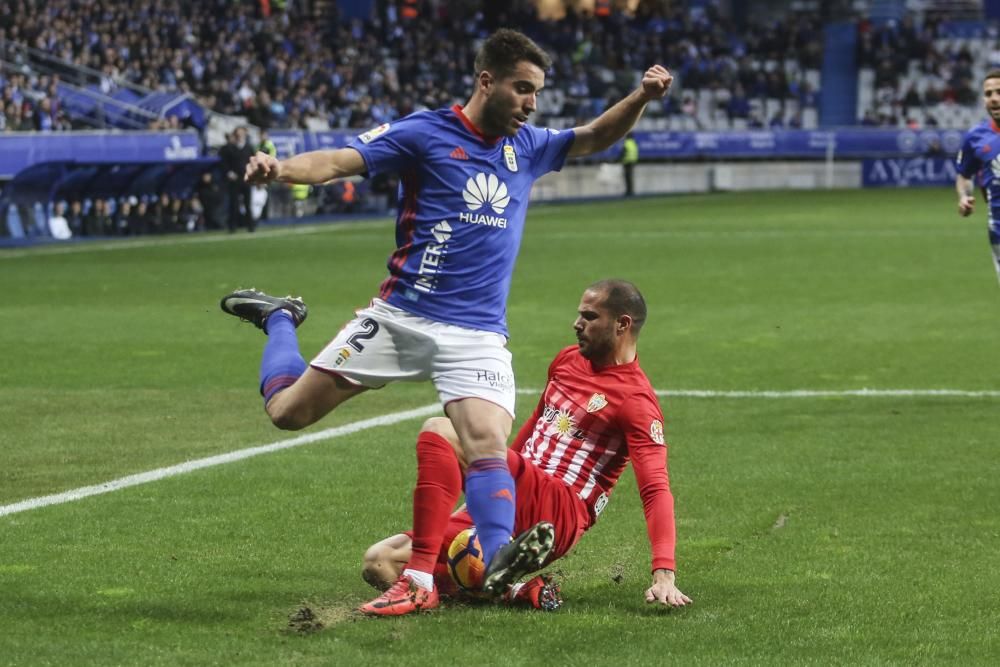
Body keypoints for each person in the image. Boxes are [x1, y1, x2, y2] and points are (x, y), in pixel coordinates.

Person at [219, 29, 673, 598]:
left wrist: (640, 98)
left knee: (485, 440)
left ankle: (499, 551)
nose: (532, 104)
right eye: (522, 89)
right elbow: (340, 160)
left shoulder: (527, 146)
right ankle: (281, 318)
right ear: (487, 81)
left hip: (476, 334)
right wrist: (280, 169)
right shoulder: (423, 132)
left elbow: (593, 137)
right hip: (401, 317)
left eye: (537, 92)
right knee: (288, 413)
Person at [359, 280, 692, 615]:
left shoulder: (636, 400)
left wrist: (664, 573)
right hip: (518, 491)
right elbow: (532, 430)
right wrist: (488, 494)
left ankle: (419, 583)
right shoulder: (566, 360)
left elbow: (655, 489)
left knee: (442, 430)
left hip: (560, 508)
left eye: (590, 317)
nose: (577, 324)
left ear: (622, 324)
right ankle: (515, 590)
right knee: (379, 562)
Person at [956, 69, 1000, 284]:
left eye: (999, 92)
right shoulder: (975, 137)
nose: (994, 98)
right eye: (989, 93)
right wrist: (964, 196)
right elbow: (964, 175)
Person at [621, 132, 639, 197]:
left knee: (627, 177)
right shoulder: (634, 143)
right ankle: (631, 190)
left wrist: (619, 159)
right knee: (630, 177)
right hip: (633, 162)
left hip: (627, 162)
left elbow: (623, 152)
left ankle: (628, 191)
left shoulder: (627, 143)